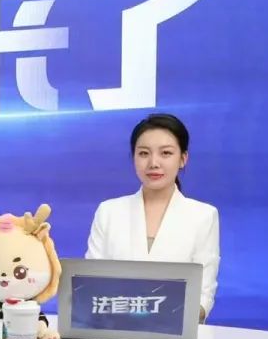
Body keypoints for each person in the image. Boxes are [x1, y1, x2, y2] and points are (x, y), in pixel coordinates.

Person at [86, 113, 220, 320]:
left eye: (166, 153)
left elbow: (203, 294)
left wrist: (169, 321)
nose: (153, 163)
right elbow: (90, 283)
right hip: (112, 329)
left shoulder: (203, 216)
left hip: (176, 332)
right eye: (144, 153)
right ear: (133, 158)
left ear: (183, 159)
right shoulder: (108, 211)